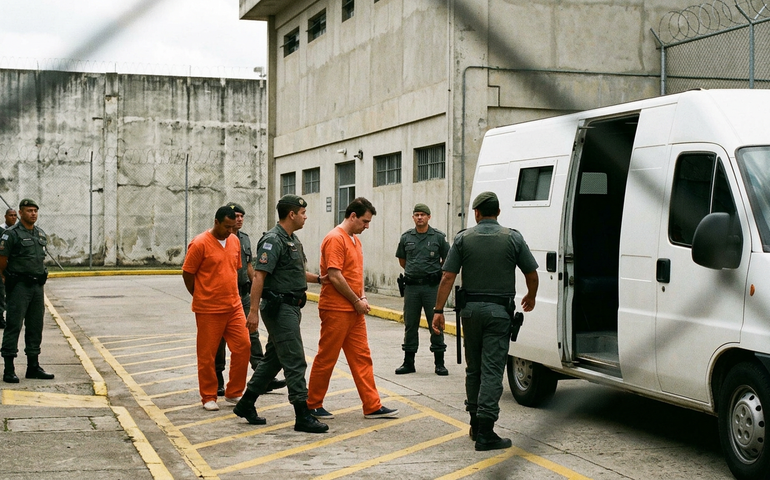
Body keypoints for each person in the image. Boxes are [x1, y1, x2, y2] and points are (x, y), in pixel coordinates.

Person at [431, 191, 539, 451]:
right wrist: (531, 297)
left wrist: (437, 310)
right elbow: (532, 274)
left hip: (469, 313)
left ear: (477, 213)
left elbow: (447, 277)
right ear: (498, 212)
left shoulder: (463, 238)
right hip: (499, 314)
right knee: (492, 370)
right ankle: (487, 432)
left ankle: (474, 424)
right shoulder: (513, 238)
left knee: (474, 369)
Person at [234, 195, 328, 433]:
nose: (306, 217)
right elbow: (259, 276)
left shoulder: (292, 240)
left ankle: (246, 403)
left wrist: (318, 279)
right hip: (279, 308)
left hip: (292, 307)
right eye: (303, 212)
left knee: (274, 359)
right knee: (295, 360)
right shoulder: (273, 240)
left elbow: (294, 272)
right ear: (292, 214)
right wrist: (253, 312)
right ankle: (302, 414)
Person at [307, 197, 399, 420]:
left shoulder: (355, 240)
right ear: (352, 216)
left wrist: (362, 297)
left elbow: (354, 275)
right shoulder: (335, 239)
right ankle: (313, 404)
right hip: (336, 309)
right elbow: (335, 275)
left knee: (362, 357)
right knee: (327, 357)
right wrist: (356, 300)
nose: (367, 226)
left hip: (353, 310)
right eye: (365, 221)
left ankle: (372, 405)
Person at [182, 206, 252, 411]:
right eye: (227, 227)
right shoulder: (200, 243)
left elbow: (234, 269)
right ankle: (208, 396)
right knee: (207, 355)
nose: (231, 231)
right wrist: (200, 294)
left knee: (243, 346)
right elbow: (188, 273)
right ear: (216, 222)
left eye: (233, 227)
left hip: (233, 305)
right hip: (208, 309)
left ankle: (234, 391)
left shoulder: (234, 241)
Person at [215, 202, 285, 397]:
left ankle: (263, 377)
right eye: (235, 216)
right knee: (219, 338)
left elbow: (249, 266)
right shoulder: (217, 238)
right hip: (223, 295)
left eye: (241, 216)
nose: (239, 220)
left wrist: (259, 288)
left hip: (243, 293)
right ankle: (218, 378)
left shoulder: (244, 239)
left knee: (252, 333)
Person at [1, 199, 53, 383]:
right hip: (19, 287)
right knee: (14, 325)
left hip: (37, 287)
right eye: (29, 210)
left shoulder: (39, 234)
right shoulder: (11, 234)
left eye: (35, 211)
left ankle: (33, 366)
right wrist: (8, 279)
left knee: (35, 326)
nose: (33, 214)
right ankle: (9, 368)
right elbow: (2, 260)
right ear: (21, 213)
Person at [395, 203, 450, 376]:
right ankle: (408, 362)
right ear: (413, 217)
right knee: (410, 324)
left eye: (423, 215)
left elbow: (447, 260)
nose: (420, 217)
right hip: (411, 288)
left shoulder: (438, 237)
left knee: (435, 324)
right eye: (417, 214)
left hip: (431, 288)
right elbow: (403, 261)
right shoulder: (406, 238)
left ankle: (439, 363)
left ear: (429, 217)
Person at [0, 208, 18, 329]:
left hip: (13, 267)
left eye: (15, 215)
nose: (13, 217)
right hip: (1, 265)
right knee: (1, 293)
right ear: (5, 216)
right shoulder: (1, 230)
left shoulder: (17, 231)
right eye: (11, 215)